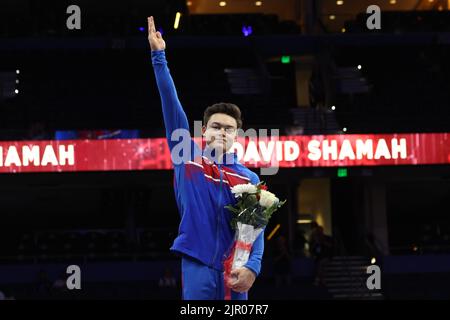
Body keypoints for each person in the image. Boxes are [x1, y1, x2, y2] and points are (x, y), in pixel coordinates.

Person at [147, 16, 264, 300]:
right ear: (204, 131)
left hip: (235, 270)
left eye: (229, 128)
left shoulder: (249, 179)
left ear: (238, 136)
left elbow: (253, 231)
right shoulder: (186, 157)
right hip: (198, 262)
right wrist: (158, 57)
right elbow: (170, 104)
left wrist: (252, 267)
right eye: (215, 126)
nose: (222, 132)